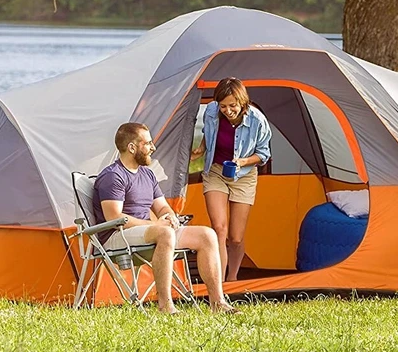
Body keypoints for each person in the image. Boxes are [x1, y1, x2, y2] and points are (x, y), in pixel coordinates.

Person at [93, 122, 237, 314]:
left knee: (207, 235)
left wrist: (169, 216)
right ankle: (166, 305)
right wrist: (156, 224)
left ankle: (218, 303)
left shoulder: (147, 174)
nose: (153, 147)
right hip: (116, 236)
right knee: (165, 234)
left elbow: (161, 206)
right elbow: (114, 217)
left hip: (149, 231)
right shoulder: (113, 176)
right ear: (132, 147)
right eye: (148, 143)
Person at [191, 77, 272, 282]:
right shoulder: (211, 111)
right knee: (219, 228)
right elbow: (207, 133)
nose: (227, 110)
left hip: (244, 176)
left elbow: (263, 154)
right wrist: (201, 149)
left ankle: (232, 277)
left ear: (242, 102)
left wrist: (243, 161)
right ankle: (217, 282)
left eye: (232, 106)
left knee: (235, 237)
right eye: (223, 106)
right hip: (216, 172)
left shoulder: (257, 120)